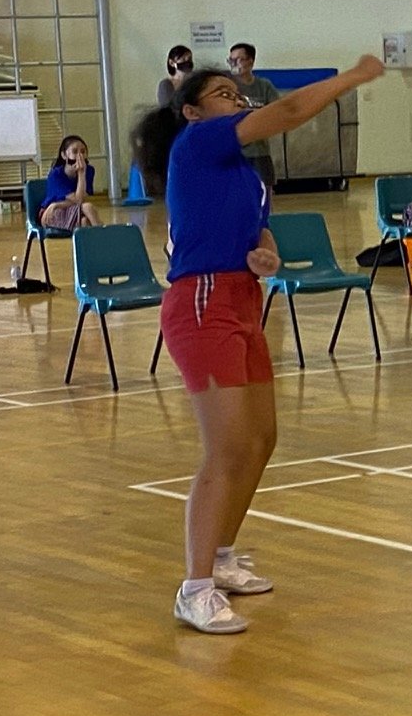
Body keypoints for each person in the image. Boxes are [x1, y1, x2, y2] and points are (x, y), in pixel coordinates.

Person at [131, 55, 387, 634]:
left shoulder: (246, 174)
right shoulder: (196, 144)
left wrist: (266, 250)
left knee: (260, 440)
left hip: (244, 299)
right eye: (225, 94)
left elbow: (258, 227)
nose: (238, 100)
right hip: (201, 303)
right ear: (192, 111)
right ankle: (193, 589)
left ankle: (220, 557)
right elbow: (291, 108)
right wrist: (348, 78)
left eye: (239, 94)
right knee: (225, 449)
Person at [227, 43, 282, 196]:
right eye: (231, 60)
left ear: (250, 61)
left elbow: (276, 112)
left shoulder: (264, 86)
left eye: (239, 59)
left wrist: (252, 113)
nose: (235, 64)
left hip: (259, 150)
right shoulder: (229, 87)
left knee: (265, 191)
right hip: (236, 150)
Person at [40, 135, 101, 232]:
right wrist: (81, 174)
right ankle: (105, 236)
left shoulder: (89, 170)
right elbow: (79, 200)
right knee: (87, 207)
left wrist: (57, 204)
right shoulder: (56, 174)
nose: (79, 156)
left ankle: (95, 243)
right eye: (75, 152)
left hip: (68, 208)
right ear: (64, 155)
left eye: (83, 151)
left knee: (85, 221)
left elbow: (82, 198)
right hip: (51, 213)